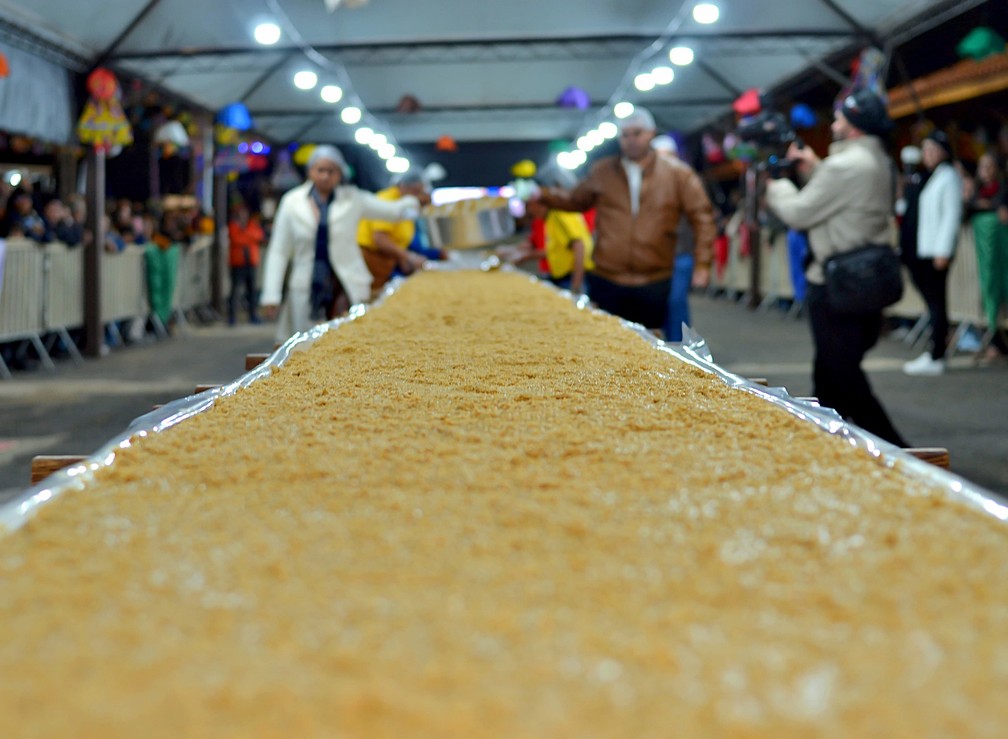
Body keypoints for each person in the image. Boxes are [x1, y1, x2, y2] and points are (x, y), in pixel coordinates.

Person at [765, 87, 909, 447]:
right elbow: (844, 198)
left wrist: (777, 185)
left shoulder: (845, 166)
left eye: (839, 118)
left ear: (854, 126)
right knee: (830, 373)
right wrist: (814, 168)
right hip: (866, 279)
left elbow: (799, 212)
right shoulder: (879, 161)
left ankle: (899, 452)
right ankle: (823, 443)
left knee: (842, 375)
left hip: (837, 286)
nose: (833, 124)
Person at [534, 107, 715, 333]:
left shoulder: (678, 175)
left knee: (650, 339)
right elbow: (575, 200)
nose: (631, 140)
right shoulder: (603, 172)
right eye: (625, 135)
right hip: (607, 277)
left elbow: (702, 217)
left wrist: (702, 264)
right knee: (607, 339)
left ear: (651, 133)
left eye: (637, 133)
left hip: (653, 278)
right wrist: (541, 194)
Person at [260, 145, 419, 342]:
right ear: (310, 171)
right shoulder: (291, 202)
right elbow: (279, 251)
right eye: (320, 170)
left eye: (331, 171)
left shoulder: (353, 198)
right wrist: (271, 294)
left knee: (349, 341)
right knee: (304, 344)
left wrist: (414, 201)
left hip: (346, 285)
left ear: (340, 174)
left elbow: (392, 212)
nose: (325, 176)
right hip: (307, 285)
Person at [902, 131, 963, 376]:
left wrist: (943, 250)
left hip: (936, 250)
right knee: (933, 303)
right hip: (925, 248)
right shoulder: (931, 176)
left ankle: (937, 353)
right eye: (924, 150)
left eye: (931, 149)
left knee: (937, 303)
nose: (926, 154)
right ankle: (935, 350)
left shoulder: (949, 176)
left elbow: (951, 215)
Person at [506, 167, 594, 294]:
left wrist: (576, 286)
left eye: (528, 205)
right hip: (561, 276)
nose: (528, 211)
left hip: (571, 277)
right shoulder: (550, 218)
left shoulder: (560, 214)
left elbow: (580, 246)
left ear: (538, 202)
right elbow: (556, 249)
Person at [357, 169, 434, 291]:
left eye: (420, 192)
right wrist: (408, 256)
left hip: (385, 260)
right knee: (363, 293)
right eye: (416, 191)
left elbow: (398, 236)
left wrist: (402, 258)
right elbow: (380, 238)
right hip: (370, 258)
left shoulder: (404, 204)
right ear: (404, 186)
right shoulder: (388, 201)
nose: (418, 196)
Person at [652, 134, 697, 341]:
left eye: (668, 156)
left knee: (676, 301)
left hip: (681, 254)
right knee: (658, 303)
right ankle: (662, 348)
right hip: (655, 258)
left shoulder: (688, 184)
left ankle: (682, 347)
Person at [965, 152, 1008, 359]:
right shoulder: (976, 191)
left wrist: (989, 206)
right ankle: (994, 339)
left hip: (1001, 252)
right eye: (982, 166)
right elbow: (968, 209)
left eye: (989, 166)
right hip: (985, 257)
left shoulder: (1003, 189)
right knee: (988, 289)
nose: (985, 171)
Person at [227, 203, 264, 325]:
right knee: (235, 291)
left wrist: (245, 235)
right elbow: (236, 239)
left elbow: (259, 236)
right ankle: (232, 317)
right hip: (238, 263)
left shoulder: (252, 225)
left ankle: (253, 315)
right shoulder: (233, 226)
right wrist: (248, 237)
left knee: (252, 291)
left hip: (250, 262)